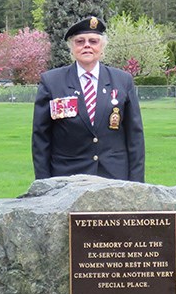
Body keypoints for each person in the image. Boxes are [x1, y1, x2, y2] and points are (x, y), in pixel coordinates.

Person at [32, 16, 145, 182]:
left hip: (114, 177)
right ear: (71, 48)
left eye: (93, 41)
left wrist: (137, 185)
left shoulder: (122, 81)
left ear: (102, 47)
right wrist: (42, 184)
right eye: (80, 41)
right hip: (67, 177)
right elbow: (41, 139)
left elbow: (135, 137)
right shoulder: (52, 82)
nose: (87, 45)